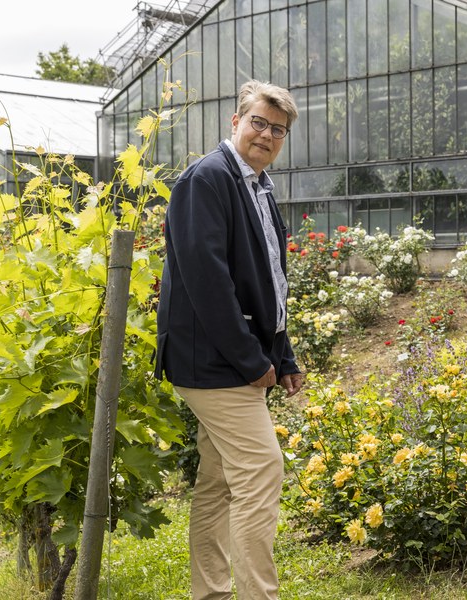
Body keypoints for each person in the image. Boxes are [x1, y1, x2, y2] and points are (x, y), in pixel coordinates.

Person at [155, 80, 305, 598]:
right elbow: (207, 281)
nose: (266, 135)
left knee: (218, 484)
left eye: (278, 130)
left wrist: (282, 356)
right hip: (212, 361)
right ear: (234, 121)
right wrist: (249, 359)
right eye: (258, 122)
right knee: (263, 469)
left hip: (233, 359)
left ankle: (211, 593)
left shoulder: (257, 184)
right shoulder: (207, 179)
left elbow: (269, 278)